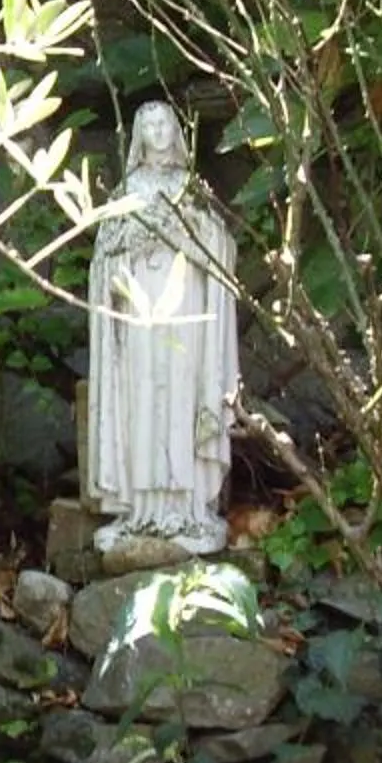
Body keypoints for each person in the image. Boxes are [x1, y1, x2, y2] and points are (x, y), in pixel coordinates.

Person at [85, 102, 239, 556]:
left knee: (182, 395)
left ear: (176, 132)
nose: (156, 133)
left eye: (163, 124)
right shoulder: (126, 192)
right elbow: (102, 262)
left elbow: (222, 250)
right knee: (141, 400)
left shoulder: (192, 191)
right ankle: (139, 511)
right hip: (137, 312)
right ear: (138, 135)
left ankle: (190, 510)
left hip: (185, 307)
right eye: (147, 125)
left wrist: (193, 230)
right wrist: (131, 242)